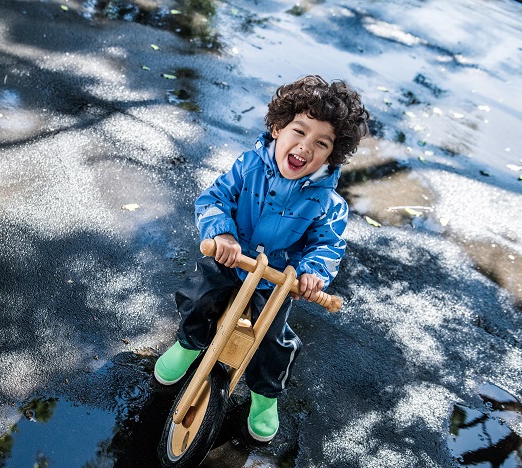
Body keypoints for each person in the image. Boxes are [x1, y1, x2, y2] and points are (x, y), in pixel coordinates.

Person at [154, 74, 369, 442]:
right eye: (298, 132)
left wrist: (312, 272)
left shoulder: (329, 204)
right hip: (231, 256)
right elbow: (213, 200)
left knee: (271, 337)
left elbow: (327, 245)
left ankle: (264, 394)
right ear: (276, 128)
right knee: (200, 296)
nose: (305, 147)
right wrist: (221, 233)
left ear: (333, 154)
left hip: (276, 276)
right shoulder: (248, 167)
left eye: (321, 143)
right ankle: (189, 344)